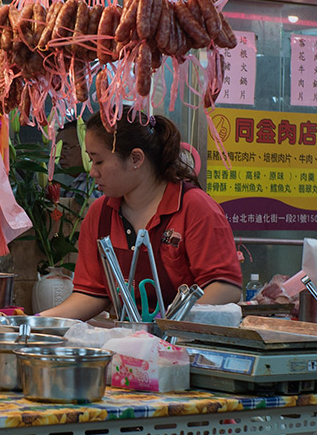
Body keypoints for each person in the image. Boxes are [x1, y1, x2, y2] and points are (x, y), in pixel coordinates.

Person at [40, 114, 242, 321]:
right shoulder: (100, 214)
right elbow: (91, 293)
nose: (92, 172)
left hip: (186, 337)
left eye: (99, 161)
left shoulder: (195, 208)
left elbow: (225, 287)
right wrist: (36, 320)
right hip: (130, 337)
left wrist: (171, 323)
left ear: (136, 159)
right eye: (91, 161)